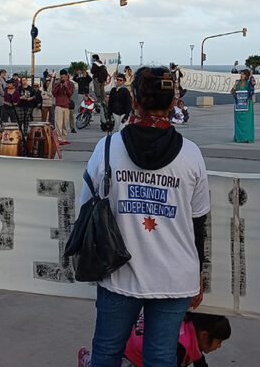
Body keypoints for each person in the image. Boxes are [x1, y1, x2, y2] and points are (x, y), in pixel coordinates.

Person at [83, 65, 209, 367]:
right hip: (176, 276)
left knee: (107, 352)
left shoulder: (107, 148)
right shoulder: (191, 154)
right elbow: (199, 222)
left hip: (119, 274)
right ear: (173, 103)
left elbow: (86, 204)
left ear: (135, 101)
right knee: (161, 357)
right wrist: (199, 273)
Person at [83, 312, 230, 367]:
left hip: (133, 339)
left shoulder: (190, 330)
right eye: (219, 341)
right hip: (130, 355)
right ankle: (88, 361)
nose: (219, 346)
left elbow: (199, 360)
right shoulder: (180, 346)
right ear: (204, 335)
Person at [231, 69, 255, 143]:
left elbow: (252, 88)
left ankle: (247, 138)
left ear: (246, 76)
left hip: (247, 104)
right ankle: (239, 138)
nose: (241, 76)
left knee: (247, 122)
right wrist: (235, 85)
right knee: (238, 122)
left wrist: (252, 78)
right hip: (238, 104)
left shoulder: (249, 83)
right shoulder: (238, 83)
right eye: (241, 74)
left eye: (243, 74)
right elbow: (232, 92)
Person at [53, 69, 74, 144]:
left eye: (64, 77)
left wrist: (66, 87)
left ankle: (63, 138)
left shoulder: (70, 84)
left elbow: (70, 94)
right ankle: (59, 138)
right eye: (61, 77)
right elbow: (54, 93)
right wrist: (58, 85)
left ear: (67, 77)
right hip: (59, 105)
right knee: (58, 123)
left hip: (66, 105)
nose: (63, 79)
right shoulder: (57, 83)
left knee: (65, 123)